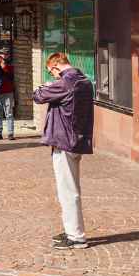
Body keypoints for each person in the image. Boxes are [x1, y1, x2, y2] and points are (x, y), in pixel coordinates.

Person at [33, 52, 94, 250]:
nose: (53, 76)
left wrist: (45, 86)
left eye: (51, 72)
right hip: (77, 138)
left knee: (67, 190)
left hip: (64, 140)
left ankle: (76, 236)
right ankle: (71, 230)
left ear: (55, 67)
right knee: (70, 188)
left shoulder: (66, 82)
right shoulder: (84, 81)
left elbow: (38, 96)